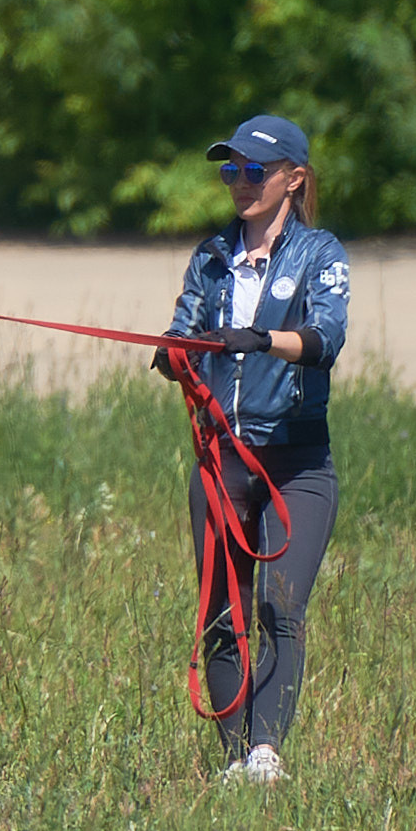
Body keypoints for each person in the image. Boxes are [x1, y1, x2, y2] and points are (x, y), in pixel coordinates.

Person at [150, 114, 349, 783]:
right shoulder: (211, 257)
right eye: (231, 170)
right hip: (222, 461)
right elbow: (184, 328)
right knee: (221, 615)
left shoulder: (320, 253)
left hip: (296, 460)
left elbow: (325, 340)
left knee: (279, 607)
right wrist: (174, 354)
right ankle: (236, 762)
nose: (240, 181)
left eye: (255, 170)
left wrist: (262, 340)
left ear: (293, 178)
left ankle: (266, 752)